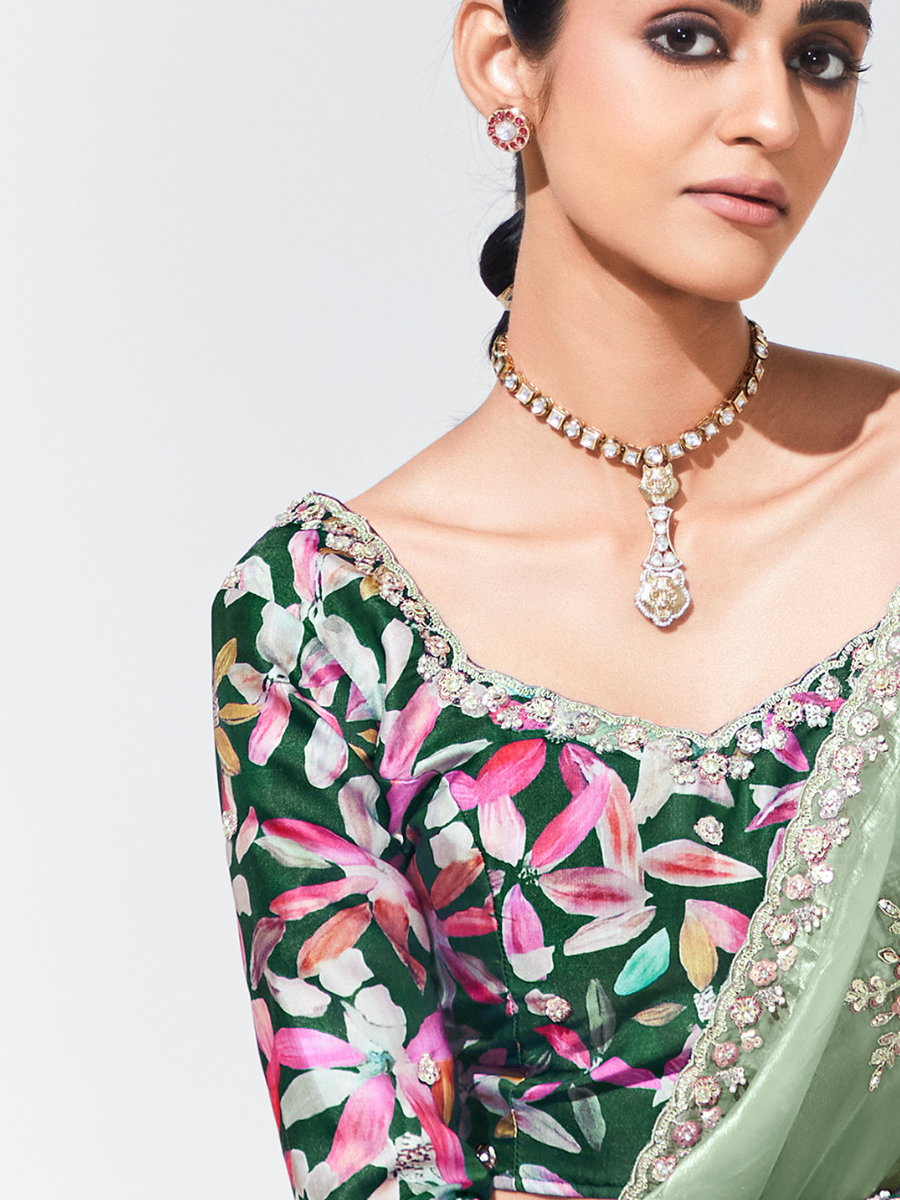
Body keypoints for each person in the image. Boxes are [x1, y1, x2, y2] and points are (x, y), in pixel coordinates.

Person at [211, 2, 900, 1198]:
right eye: (689, 36)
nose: (774, 116)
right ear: (502, 62)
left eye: (820, 57)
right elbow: (377, 1163)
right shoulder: (323, 621)